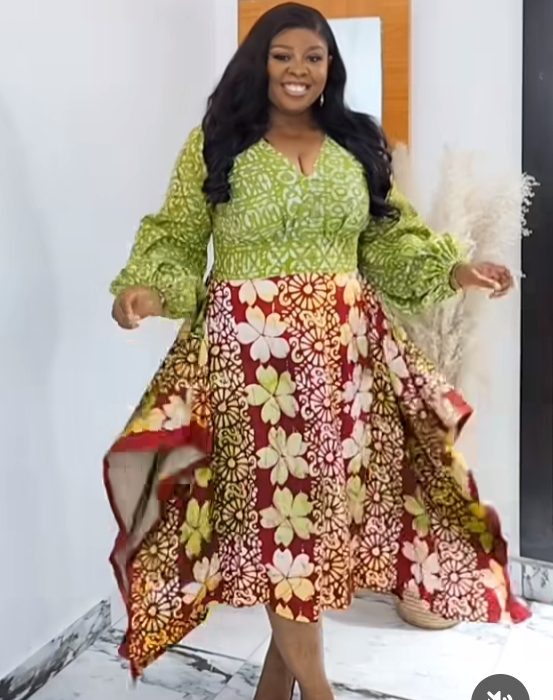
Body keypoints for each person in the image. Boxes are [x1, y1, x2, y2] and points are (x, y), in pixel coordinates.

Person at [105, 3, 530, 698]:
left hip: (342, 367)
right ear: (259, 63)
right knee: (284, 531)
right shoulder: (216, 142)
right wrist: (148, 292)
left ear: (331, 66)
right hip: (249, 366)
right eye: (282, 56)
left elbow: (389, 241)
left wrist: (454, 270)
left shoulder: (357, 144)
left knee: (309, 534)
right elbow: (177, 237)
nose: (297, 70)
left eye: (313, 57)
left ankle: (275, 690)